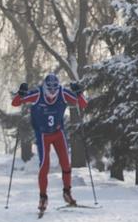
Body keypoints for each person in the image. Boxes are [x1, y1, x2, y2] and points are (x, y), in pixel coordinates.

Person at [11, 73, 88, 213]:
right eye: (49, 89)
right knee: (44, 165)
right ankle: (43, 197)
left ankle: (67, 192)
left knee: (65, 163)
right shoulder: (37, 94)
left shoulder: (63, 94)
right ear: (44, 87)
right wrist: (21, 93)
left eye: (55, 89)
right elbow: (16, 103)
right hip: (42, 134)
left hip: (58, 133)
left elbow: (83, 104)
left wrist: (79, 92)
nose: (52, 93)